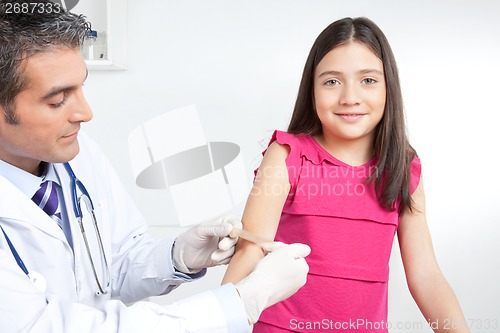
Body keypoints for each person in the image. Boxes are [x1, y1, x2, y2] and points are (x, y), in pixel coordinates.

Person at [0, 2, 311, 332]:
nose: (85, 113)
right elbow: (43, 326)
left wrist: (177, 257)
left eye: (81, 87)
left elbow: (111, 268)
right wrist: (242, 302)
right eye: (57, 100)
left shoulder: (78, 152)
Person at [222, 17, 470, 332]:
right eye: (332, 81)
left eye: (368, 80)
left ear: (388, 86)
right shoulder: (287, 156)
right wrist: (215, 320)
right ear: (311, 89)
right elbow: (250, 251)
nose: (349, 97)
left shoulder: (402, 170)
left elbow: (426, 276)